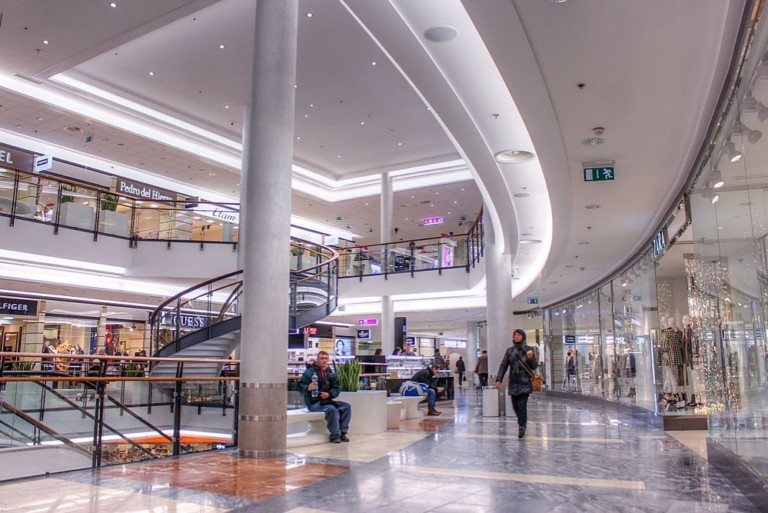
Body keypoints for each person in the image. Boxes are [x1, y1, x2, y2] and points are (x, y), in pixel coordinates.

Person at [298, 351, 351, 443]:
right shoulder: (309, 373)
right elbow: (300, 386)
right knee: (332, 409)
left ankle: (343, 433)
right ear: (317, 360)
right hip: (314, 403)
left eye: (326, 358)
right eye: (322, 358)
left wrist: (329, 394)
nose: (324, 361)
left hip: (326, 401)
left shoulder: (330, 373)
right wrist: (307, 387)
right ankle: (334, 435)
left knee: (346, 406)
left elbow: (337, 388)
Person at [495, 329, 538, 438]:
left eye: (519, 335)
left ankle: (522, 426)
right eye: (515, 335)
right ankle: (522, 421)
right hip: (513, 382)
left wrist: (531, 358)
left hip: (525, 382)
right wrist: (499, 379)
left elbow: (534, 366)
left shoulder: (529, 349)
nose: (516, 336)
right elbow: (504, 365)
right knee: (515, 406)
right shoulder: (509, 351)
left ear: (523, 337)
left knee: (521, 405)